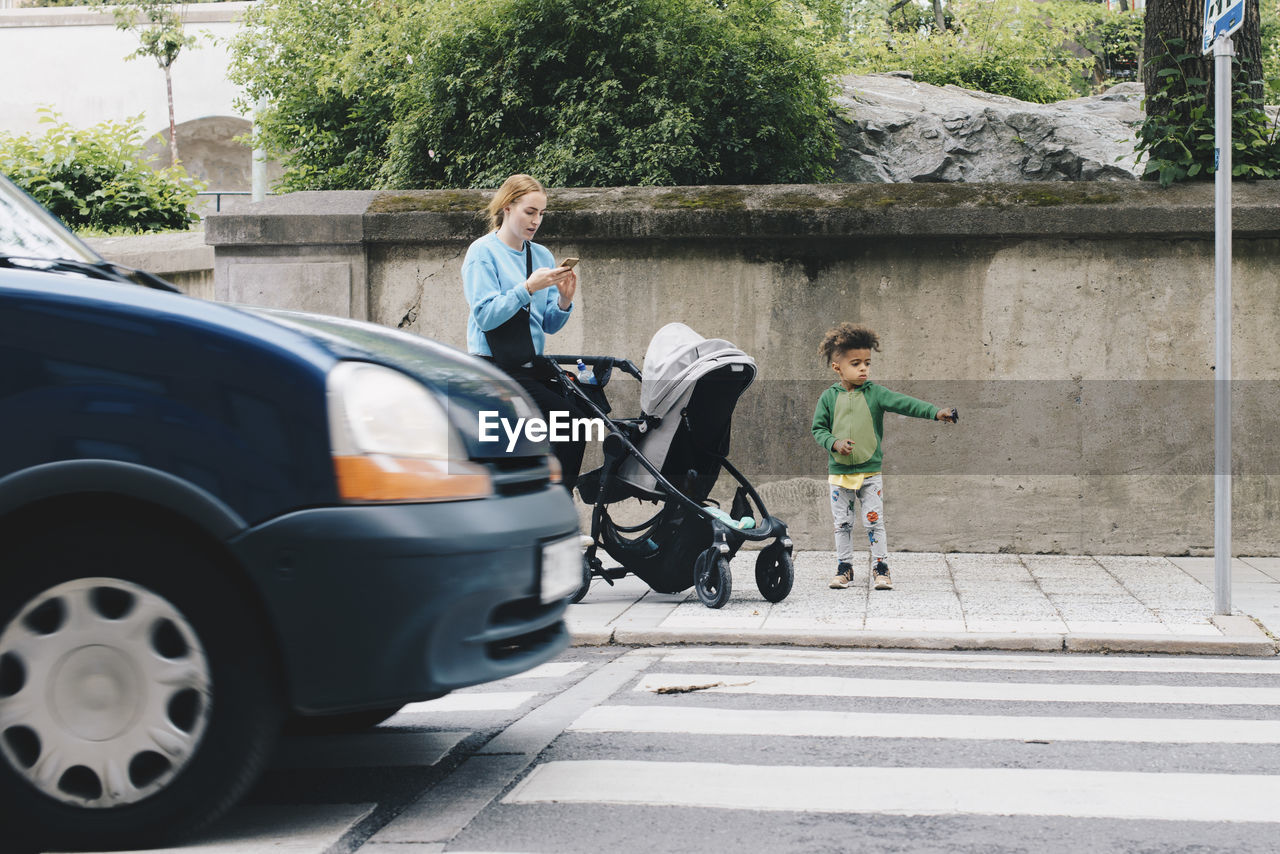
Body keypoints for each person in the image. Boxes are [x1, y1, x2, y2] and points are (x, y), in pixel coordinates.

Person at [463, 174, 586, 490]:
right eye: (529, 212)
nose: (536, 221)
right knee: (567, 425)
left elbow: (547, 325)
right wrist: (528, 287)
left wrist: (564, 299)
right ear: (507, 207)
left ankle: (552, 505)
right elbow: (486, 316)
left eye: (541, 214)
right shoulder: (482, 253)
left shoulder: (541, 256)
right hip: (492, 367)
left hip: (529, 365)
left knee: (579, 420)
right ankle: (555, 509)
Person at [811, 323, 957, 591]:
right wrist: (834, 443)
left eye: (867, 362)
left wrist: (936, 412)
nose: (864, 368)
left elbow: (906, 403)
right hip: (840, 474)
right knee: (842, 524)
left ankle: (881, 568)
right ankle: (845, 568)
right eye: (855, 363)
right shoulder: (828, 398)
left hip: (870, 473)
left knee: (873, 522)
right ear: (837, 367)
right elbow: (818, 429)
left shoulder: (876, 394)